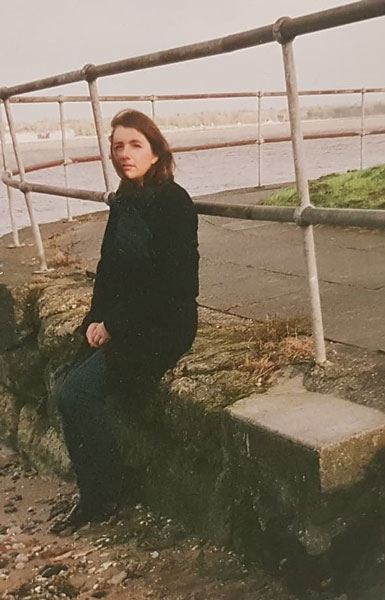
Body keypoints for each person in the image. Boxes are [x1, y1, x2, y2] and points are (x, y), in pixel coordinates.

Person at [52, 109, 199, 533]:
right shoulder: (124, 200)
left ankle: (101, 497)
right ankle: (102, 482)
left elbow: (173, 284)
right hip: (125, 320)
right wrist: (94, 318)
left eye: (135, 144)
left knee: (75, 394)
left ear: (155, 152)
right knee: (66, 376)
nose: (124, 153)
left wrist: (113, 324)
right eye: (117, 146)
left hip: (165, 325)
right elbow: (109, 267)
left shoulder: (175, 203)